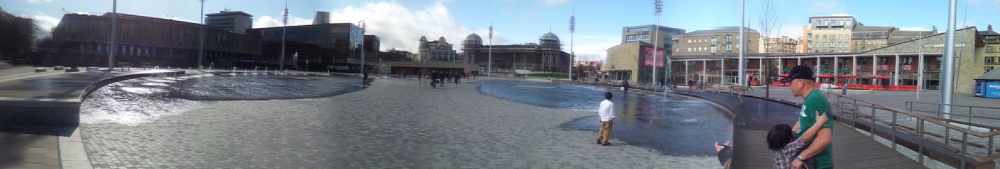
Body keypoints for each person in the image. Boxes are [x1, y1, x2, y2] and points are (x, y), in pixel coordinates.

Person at [778, 65, 834, 169]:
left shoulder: (815, 99)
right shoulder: (810, 99)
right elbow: (803, 123)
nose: (790, 86)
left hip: (817, 164)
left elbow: (825, 138)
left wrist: (801, 157)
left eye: (791, 82)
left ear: (801, 82)